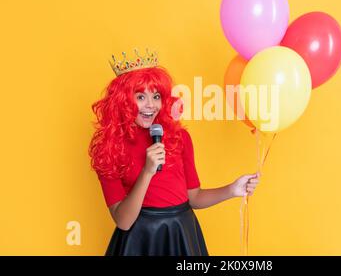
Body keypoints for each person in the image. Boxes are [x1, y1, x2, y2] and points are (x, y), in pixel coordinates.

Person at [88, 50, 260, 255]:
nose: (150, 104)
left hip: (181, 234)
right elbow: (123, 222)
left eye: (156, 96)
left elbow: (193, 197)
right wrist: (147, 171)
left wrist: (231, 190)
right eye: (140, 96)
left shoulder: (179, 138)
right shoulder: (109, 148)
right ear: (123, 101)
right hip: (140, 240)